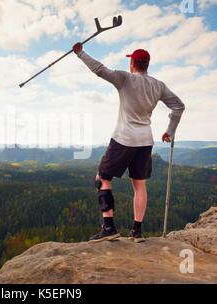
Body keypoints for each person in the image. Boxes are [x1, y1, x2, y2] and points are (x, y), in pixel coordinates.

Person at [72, 42, 185, 243]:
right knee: (139, 184)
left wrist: (80, 53)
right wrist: (170, 131)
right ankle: (137, 232)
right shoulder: (158, 85)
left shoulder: (125, 79)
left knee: (102, 178)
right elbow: (179, 106)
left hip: (123, 138)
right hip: (145, 141)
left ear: (132, 63)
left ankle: (108, 228)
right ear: (147, 65)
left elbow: (99, 69)